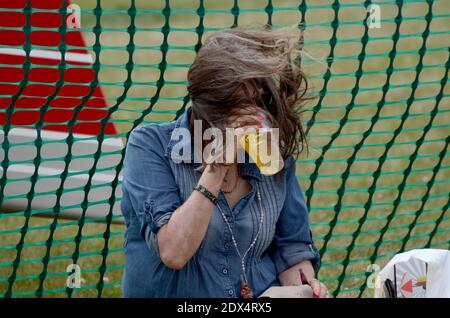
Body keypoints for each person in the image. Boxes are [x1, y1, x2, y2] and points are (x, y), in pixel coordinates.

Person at [120, 25, 329, 298]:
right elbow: (174, 252)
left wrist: (305, 287)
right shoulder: (151, 145)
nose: (254, 113)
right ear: (211, 105)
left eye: (259, 99)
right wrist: (217, 166)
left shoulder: (268, 151)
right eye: (241, 102)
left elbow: (291, 247)